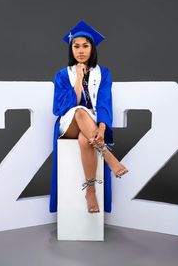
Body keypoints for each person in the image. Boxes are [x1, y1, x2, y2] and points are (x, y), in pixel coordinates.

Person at [49, 20, 128, 214]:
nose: (81, 50)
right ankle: (108, 156)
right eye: (76, 46)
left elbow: (104, 102)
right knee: (79, 111)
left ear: (92, 48)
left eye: (85, 46)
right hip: (68, 124)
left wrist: (101, 129)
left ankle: (90, 190)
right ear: (71, 49)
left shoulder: (103, 74)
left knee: (86, 140)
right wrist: (77, 78)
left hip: (91, 126)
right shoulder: (62, 75)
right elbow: (59, 108)